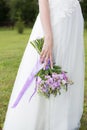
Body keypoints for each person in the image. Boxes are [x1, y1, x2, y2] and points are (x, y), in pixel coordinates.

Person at [3, 0, 85, 130]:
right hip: (54, 20)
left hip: (72, 19)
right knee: (48, 62)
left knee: (68, 66)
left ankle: (63, 116)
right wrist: (48, 36)